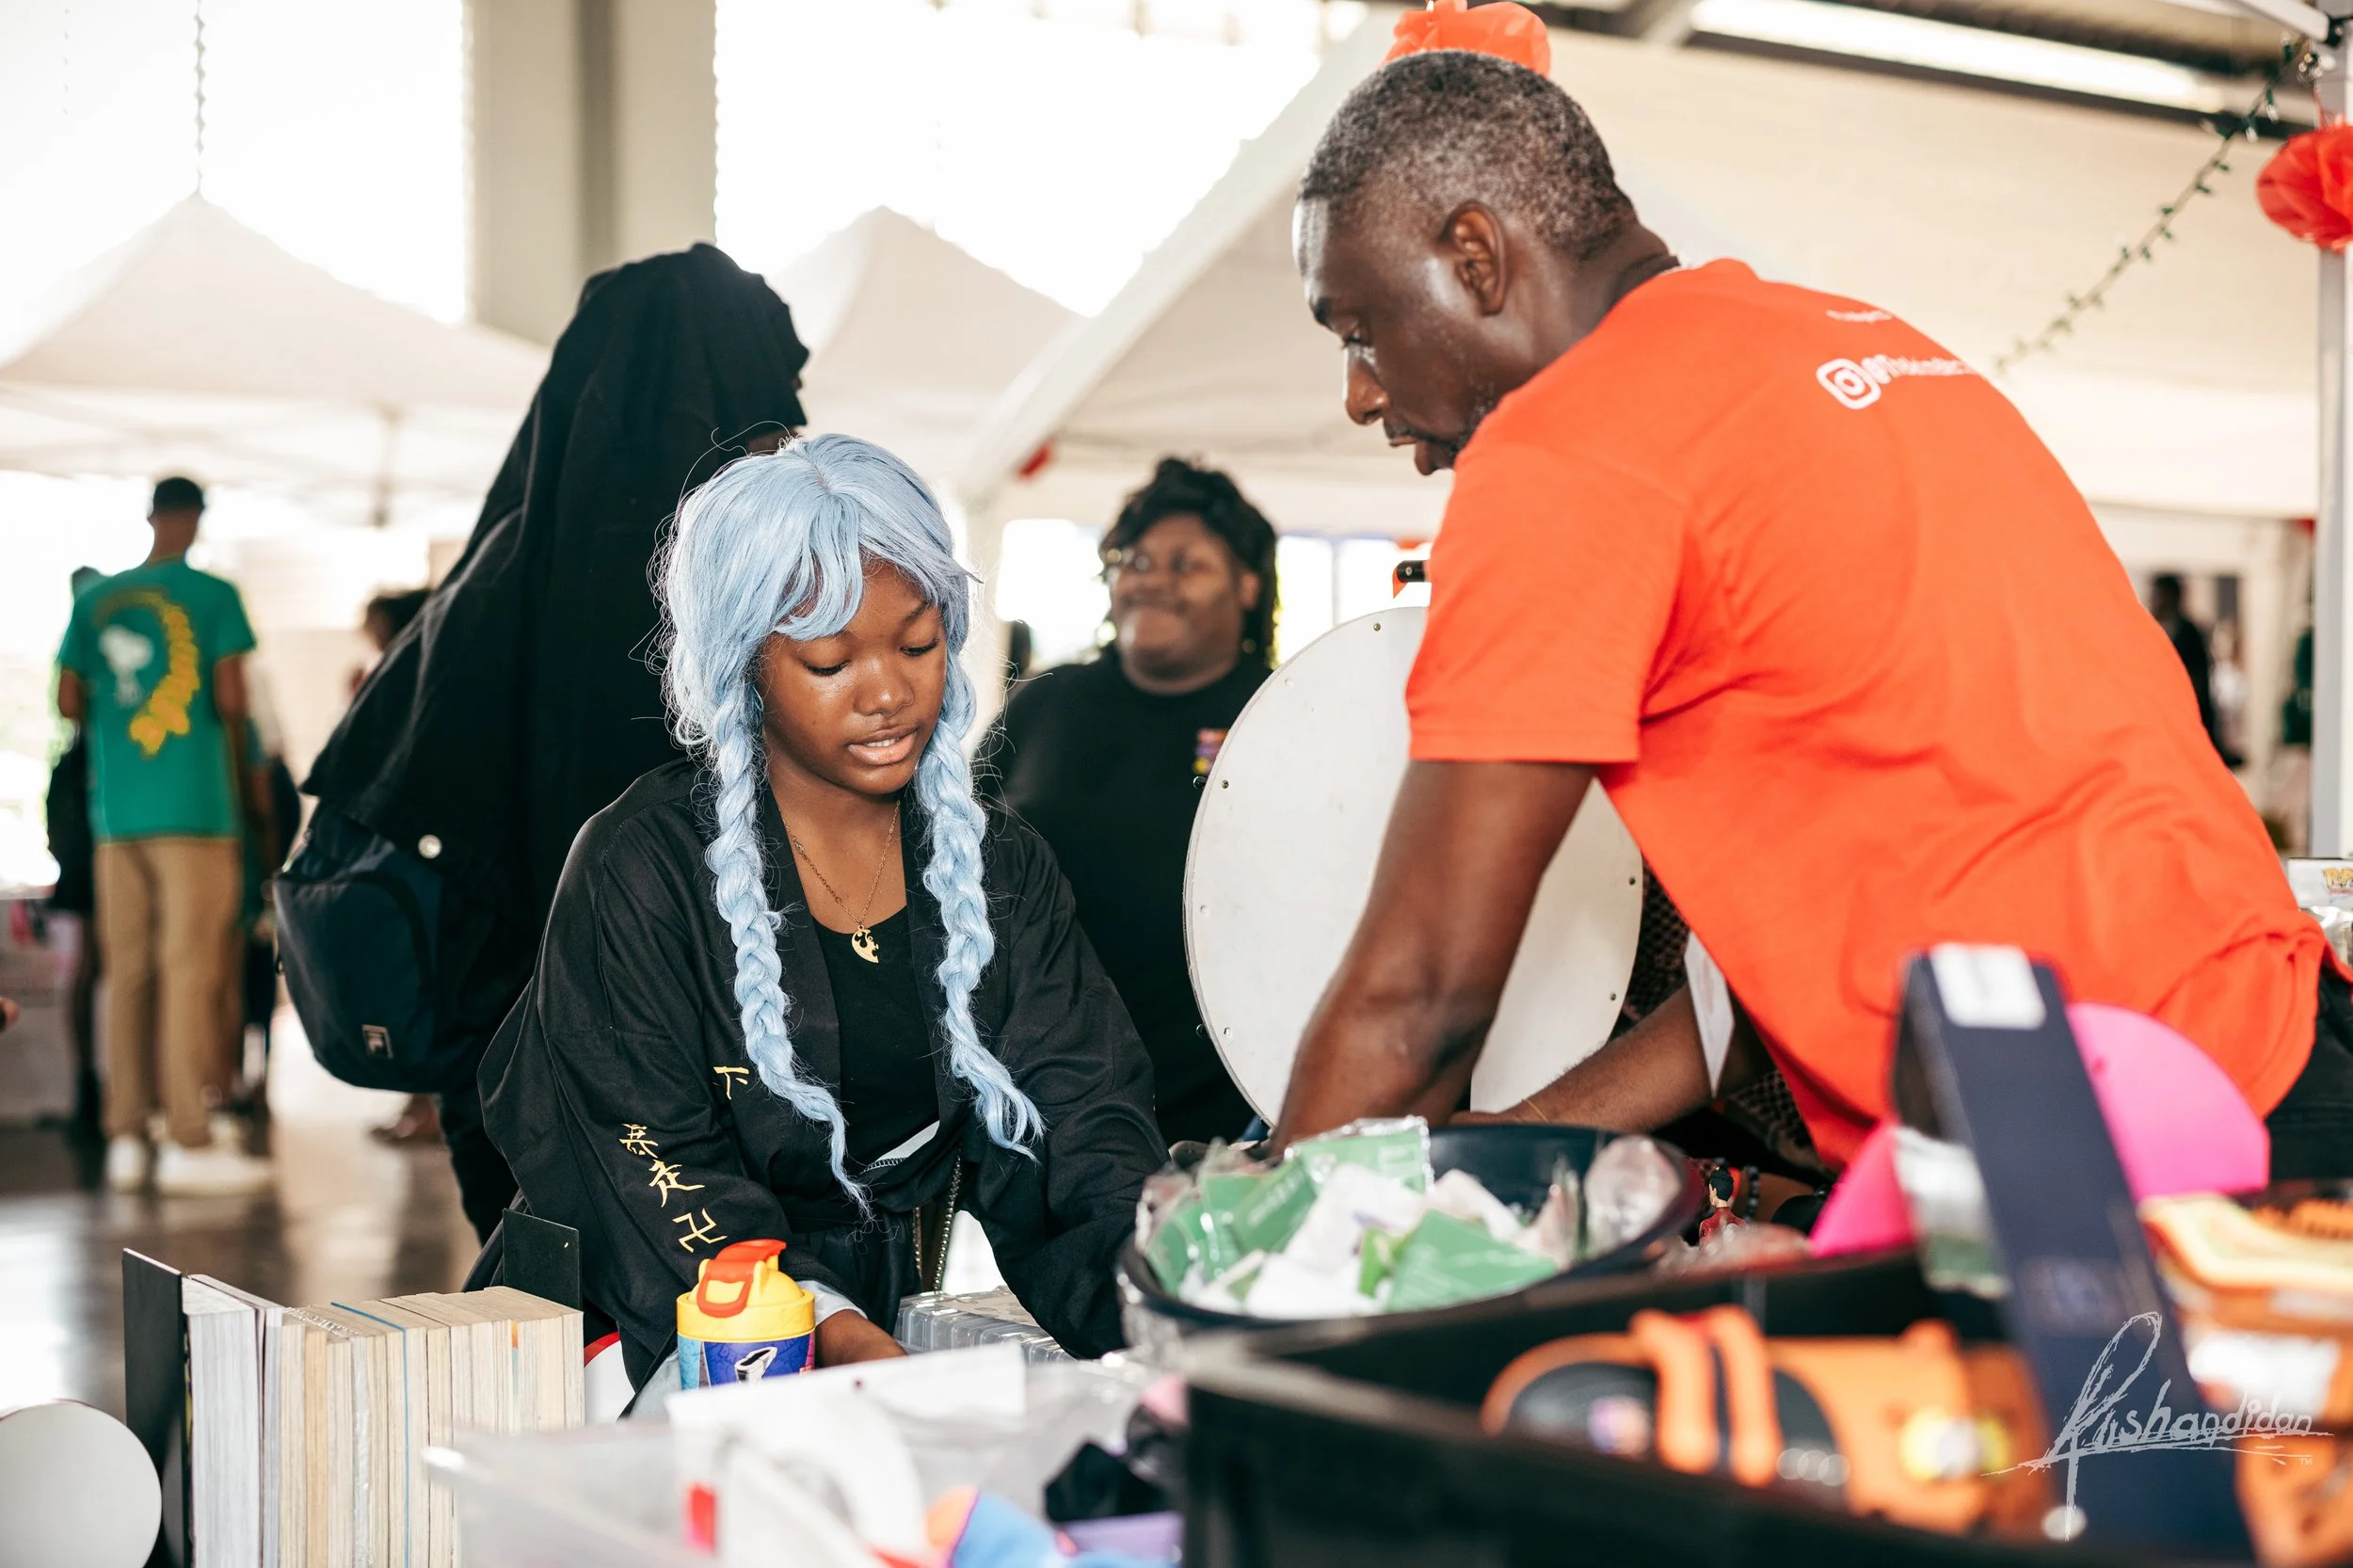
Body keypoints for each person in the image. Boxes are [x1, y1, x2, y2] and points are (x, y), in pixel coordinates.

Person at [1271, 33, 2353, 1183]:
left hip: (2135, 1142)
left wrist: (1235, 1253)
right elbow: (1798, 949)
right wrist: (1529, 1138)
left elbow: (1419, 999)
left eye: (1356, 328)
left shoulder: (1566, 448)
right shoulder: (1843, 341)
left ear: (1476, 257)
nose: (1359, 394)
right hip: (2271, 1057)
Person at [480, 437, 1164, 1391]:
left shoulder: (995, 867)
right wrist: (831, 1330)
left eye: (919, 644)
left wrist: (1158, 1304)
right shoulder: (641, 869)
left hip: (864, 1346)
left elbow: (1076, 1119)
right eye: (829, 661)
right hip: (641, 1342)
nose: (888, 692)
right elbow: (655, 1161)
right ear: (744, 666)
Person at [303, 245, 811, 1241]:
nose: (787, 441)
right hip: (664, 1067)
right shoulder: (703, 594)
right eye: (769, 414)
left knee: (544, 1316)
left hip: (494, 1056)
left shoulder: (496, 571)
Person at [980, 457, 1277, 1145]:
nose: (1152, 581)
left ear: (1247, 585)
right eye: (1134, 559)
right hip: (1046, 1094)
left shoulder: (1279, 712)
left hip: (1222, 1104)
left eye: (1185, 564)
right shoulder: (1045, 705)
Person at [55, 477, 275, 1193]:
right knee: (192, 967)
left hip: (118, 816)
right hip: (197, 810)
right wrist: (251, 798)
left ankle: (127, 1132)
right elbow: (233, 697)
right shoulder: (213, 596)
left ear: (151, 514)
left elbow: (67, 697)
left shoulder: (96, 601)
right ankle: (188, 1133)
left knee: (130, 970)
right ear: (197, 518)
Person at [45, 567, 106, 1132]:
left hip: (93, 837)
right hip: (91, 843)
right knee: (93, 966)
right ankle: (90, 1082)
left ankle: (100, 1084)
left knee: (97, 967)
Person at [2150, 573, 2223, 758]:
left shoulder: (2190, 633)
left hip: (2184, 718)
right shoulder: (2150, 630)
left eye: (2159, 595)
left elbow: (2198, 678)